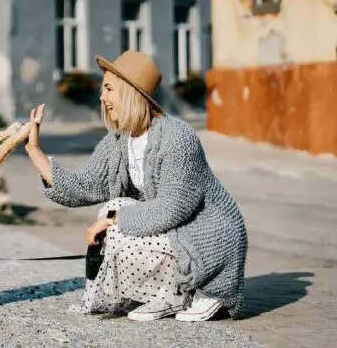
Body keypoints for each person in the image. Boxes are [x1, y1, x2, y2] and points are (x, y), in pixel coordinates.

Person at [24, 51, 247, 322]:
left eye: (108, 89)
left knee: (115, 220)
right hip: (175, 232)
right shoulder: (119, 140)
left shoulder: (178, 138)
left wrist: (112, 221)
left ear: (130, 92)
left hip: (207, 237)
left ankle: (198, 291)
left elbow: (172, 208)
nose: (102, 98)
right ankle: (165, 294)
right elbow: (84, 186)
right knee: (113, 207)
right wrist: (35, 152)